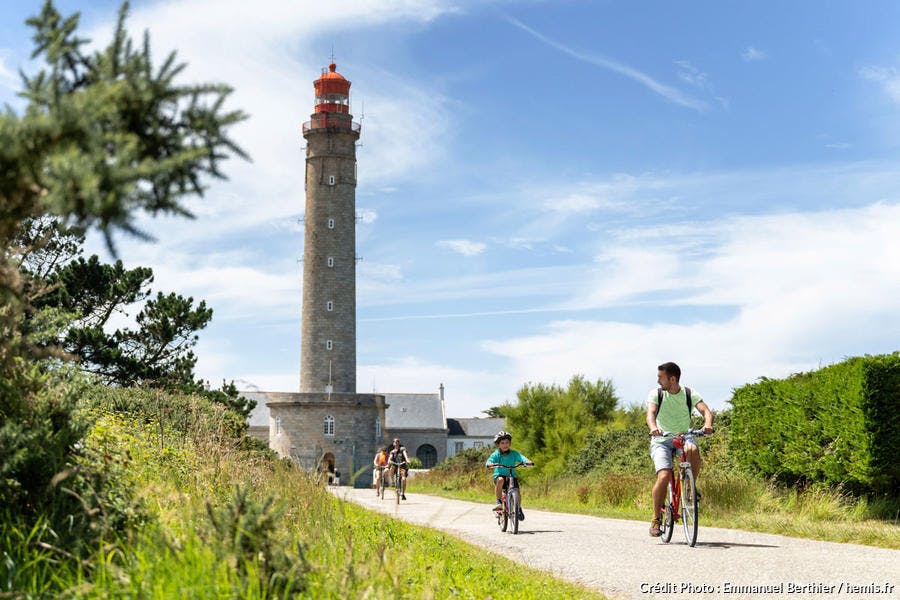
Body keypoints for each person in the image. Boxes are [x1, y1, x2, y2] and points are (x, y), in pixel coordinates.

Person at [646, 361, 714, 537]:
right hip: (661, 439)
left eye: (661, 378)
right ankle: (655, 519)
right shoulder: (657, 394)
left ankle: (689, 487)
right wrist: (653, 427)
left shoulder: (689, 394)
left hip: (684, 435)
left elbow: (706, 412)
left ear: (672, 378)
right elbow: (650, 414)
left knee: (692, 450)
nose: (658, 381)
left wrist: (707, 424)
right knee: (663, 476)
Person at [485, 430, 533, 521]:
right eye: (502, 443)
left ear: (510, 443)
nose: (505, 445)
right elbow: (489, 461)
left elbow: (522, 458)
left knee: (517, 491)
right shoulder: (496, 454)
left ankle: (518, 508)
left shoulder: (514, 453)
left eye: (507, 442)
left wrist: (527, 462)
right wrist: (490, 464)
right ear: (498, 445)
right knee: (500, 480)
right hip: (499, 475)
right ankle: (498, 501)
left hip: (511, 475)